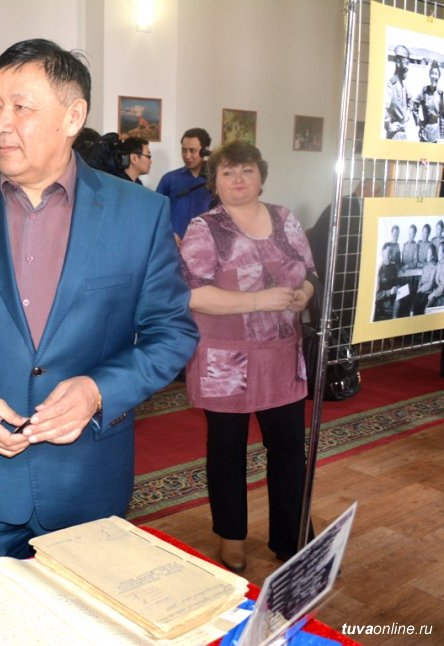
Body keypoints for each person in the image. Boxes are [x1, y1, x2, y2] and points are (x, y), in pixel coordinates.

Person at [0, 38, 198, 576]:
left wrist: (98, 391)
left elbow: (172, 332)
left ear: (72, 117)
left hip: (89, 479)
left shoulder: (139, 214)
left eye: (21, 106)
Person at [178, 141, 317, 572]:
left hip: (281, 357)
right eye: (228, 172)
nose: (238, 179)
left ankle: (292, 537)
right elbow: (191, 294)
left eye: (247, 170)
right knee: (227, 450)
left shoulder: (284, 218)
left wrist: (304, 293)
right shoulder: (206, 228)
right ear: (215, 182)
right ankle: (231, 536)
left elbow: (309, 271)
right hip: (226, 361)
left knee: (289, 450)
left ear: (261, 176)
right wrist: (258, 302)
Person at [156, 127, 213, 241]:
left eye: (192, 151)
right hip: (174, 244)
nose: (187, 156)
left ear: (204, 151)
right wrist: (169, 233)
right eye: (184, 150)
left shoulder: (215, 180)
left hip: (206, 244)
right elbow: (156, 213)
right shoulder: (169, 179)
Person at [384, 45, 412, 140]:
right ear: (398, 63)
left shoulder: (403, 85)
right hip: (394, 136)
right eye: (406, 63)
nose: (408, 67)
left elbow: (411, 101)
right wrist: (389, 127)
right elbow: (383, 109)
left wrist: (407, 116)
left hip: (403, 134)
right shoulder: (391, 85)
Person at [414, 60, 442, 143]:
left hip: (436, 134)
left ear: (439, 76)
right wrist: (418, 121)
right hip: (425, 133)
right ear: (429, 75)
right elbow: (414, 105)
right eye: (432, 73)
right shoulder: (424, 91)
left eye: (436, 74)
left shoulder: (440, 94)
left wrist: (442, 134)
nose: (434, 76)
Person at [374, 243, 400, 321]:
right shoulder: (378, 270)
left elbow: (396, 282)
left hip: (393, 298)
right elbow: (376, 296)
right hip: (383, 302)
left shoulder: (393, 267)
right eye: (389, 253)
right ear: (383, 253)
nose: (390, 256)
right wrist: (389, 292)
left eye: (391, 253)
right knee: (398, 302)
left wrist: (397, 287)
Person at [412, 244, 438, 315]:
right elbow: (421, 280)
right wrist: (419, 288)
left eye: (429, 253)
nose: (427, 255)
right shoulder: (425, 267)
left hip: (428, 293)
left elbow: (430, 284)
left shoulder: (434, 268)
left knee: (421, 309)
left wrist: (421, 289)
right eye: (427, 253)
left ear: (433, 256)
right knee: (413, 308)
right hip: (421, 291)